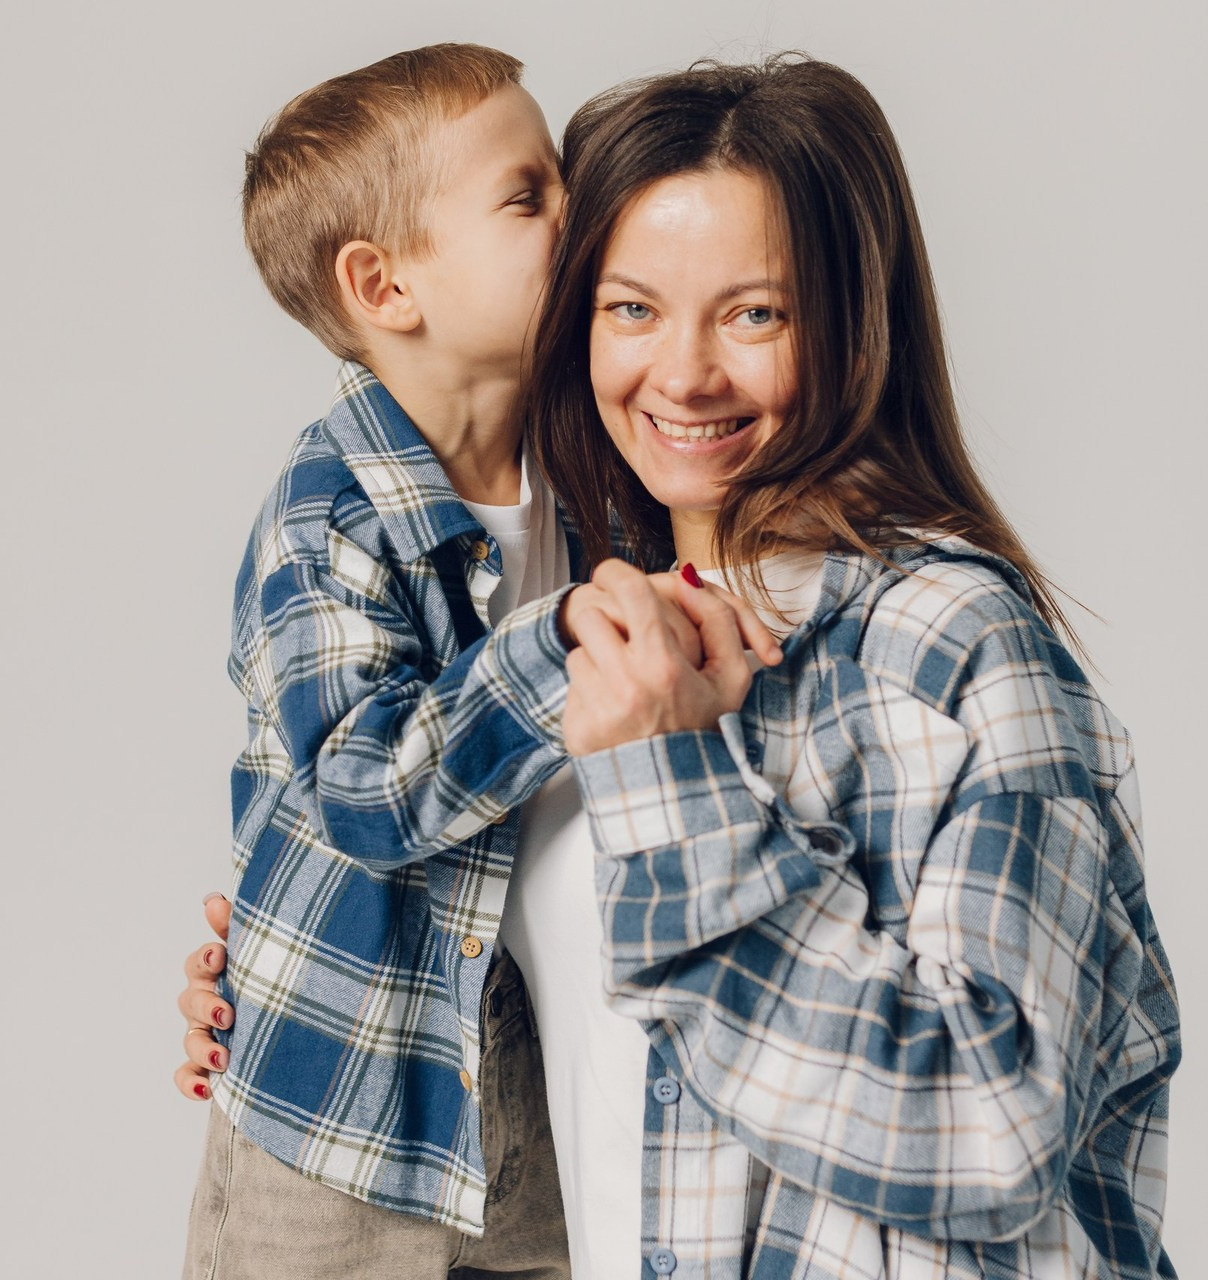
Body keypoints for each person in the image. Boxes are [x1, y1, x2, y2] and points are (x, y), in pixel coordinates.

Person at [180, 53, 1180, 1279]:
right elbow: (385, 796)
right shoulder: (575, 605)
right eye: (630, 305)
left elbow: (990, 1127)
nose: (685, 373)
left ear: (851, 323)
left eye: (754, 311)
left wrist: (668, 778)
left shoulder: (945, 644)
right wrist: (296, 946)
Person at [182, 40, 779, 1280]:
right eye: (530, 195)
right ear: (385, 286)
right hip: (342, 1117)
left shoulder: (600, 464)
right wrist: (554, 643)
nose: (580, 209)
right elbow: (363, 788)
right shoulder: (327, 510)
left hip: (523, 1086)